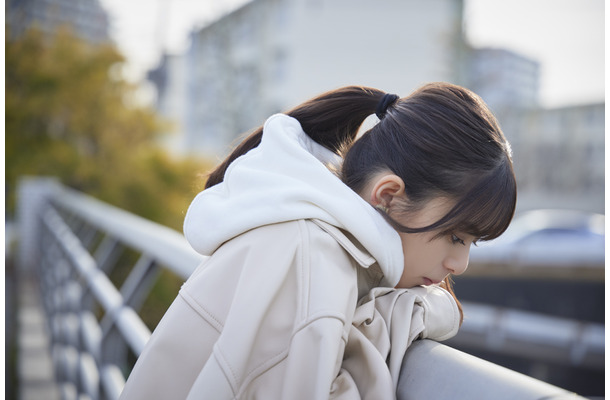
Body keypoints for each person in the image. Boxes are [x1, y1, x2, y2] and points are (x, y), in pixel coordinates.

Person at [119, 82, 517, 399]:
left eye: (471, 243)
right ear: (389, 196)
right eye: (455, 235)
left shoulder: (305, 236)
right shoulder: (311, 259)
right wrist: (413, 313)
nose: (459, 264)